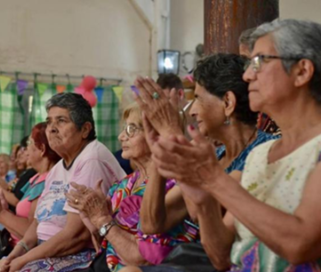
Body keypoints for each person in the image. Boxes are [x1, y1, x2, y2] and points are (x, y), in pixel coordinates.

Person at [136, 19, 321, 271]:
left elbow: (299, 245)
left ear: (302, 71)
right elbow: (222, 258)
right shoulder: (261, 156)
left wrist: (213, 180)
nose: (247, 75)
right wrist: (204, 203)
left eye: (259, 62)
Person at [121, 53, 277, 272]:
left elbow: (200, 211)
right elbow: (151, 225)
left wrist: (172, 133)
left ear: (227, 103)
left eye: (198, 98)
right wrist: (160, 149)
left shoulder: (265, 151)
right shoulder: (216, 154)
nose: (192, 110)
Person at [0, 93, 125, 272]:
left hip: (80, 255)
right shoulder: (57, 168)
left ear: (85, 129)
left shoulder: (91, 159)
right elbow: (37, 224)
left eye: (61, 121)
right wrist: (15, 255)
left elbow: (76, 236)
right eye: (49, 122)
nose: (52, 128)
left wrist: (24, 261)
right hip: (45, 250)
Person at [67, 102, 199, 272]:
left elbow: (142, 259)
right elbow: (106, 249)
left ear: (157, 135)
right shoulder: (122, 186)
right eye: (124, 129)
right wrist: (92, 219)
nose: (121, 136)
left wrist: (103, 220)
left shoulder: (175, 184)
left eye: (131, 130)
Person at [0, 122, 61, 272]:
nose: (25, 150)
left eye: (29, 143)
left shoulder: (48, 181)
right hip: (13, 246)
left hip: (25, 253)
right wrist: (3, 210)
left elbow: (35, 233)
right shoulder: (35, 178)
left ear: (42, 149)